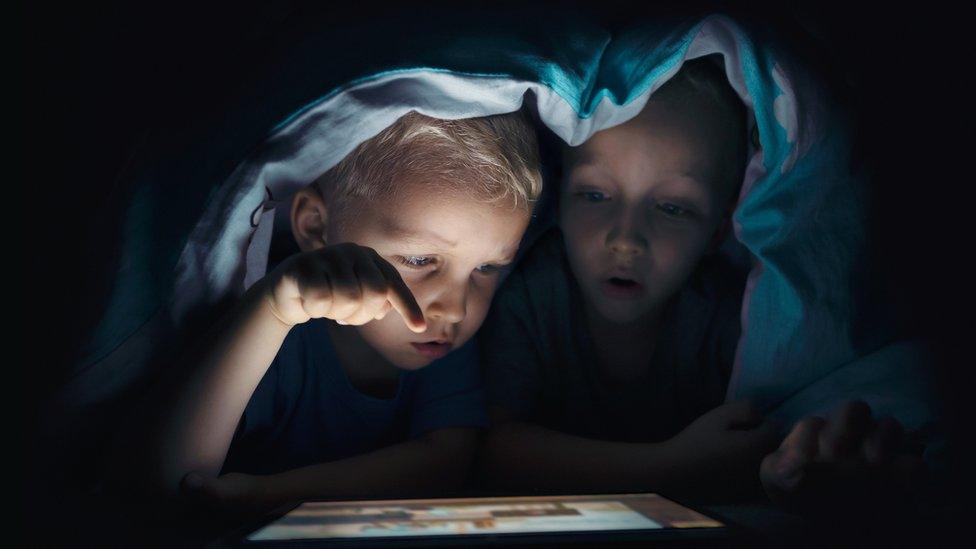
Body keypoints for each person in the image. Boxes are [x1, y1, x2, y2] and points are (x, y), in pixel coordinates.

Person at [478, 56, 921, 508]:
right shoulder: (532, 298)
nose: (626, 240)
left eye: (673, 208)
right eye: (594, 195)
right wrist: (667, 468)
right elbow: (491, 452)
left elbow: (760, 447)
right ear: (557, 202)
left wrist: (789, 468)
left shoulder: (733, 323)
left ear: (719, 230)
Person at [109, 110, 542, 515]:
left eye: (487, 268)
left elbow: (447, 460)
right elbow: (166, 480)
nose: (455, 306)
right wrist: (273, 311)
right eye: (418, 260)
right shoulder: (280, 330)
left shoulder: (437, 336)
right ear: (316, 227)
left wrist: (267, 494)